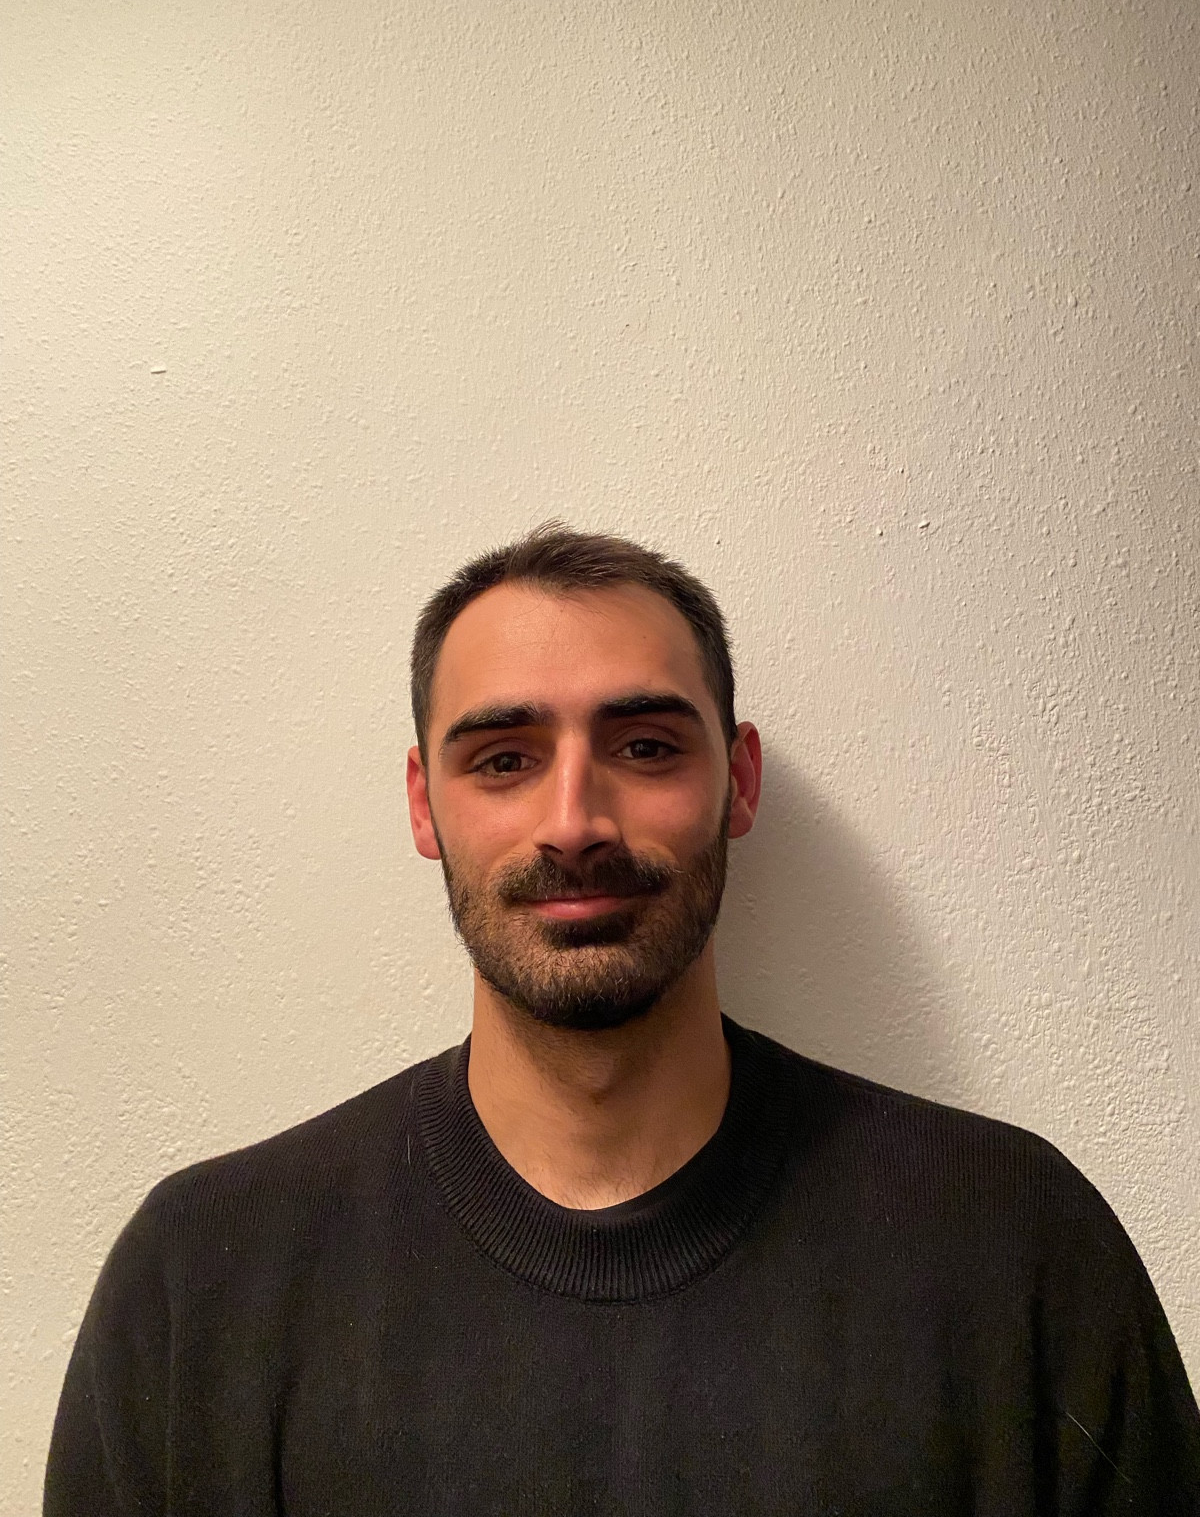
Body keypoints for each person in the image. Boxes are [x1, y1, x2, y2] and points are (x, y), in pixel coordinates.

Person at [45, 523, 1200, 1515]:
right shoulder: (202, 1287)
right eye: (504, 758)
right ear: (424, 805)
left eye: (645, 747)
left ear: (740, 780)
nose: (574, 820)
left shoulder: (1015, 1246)